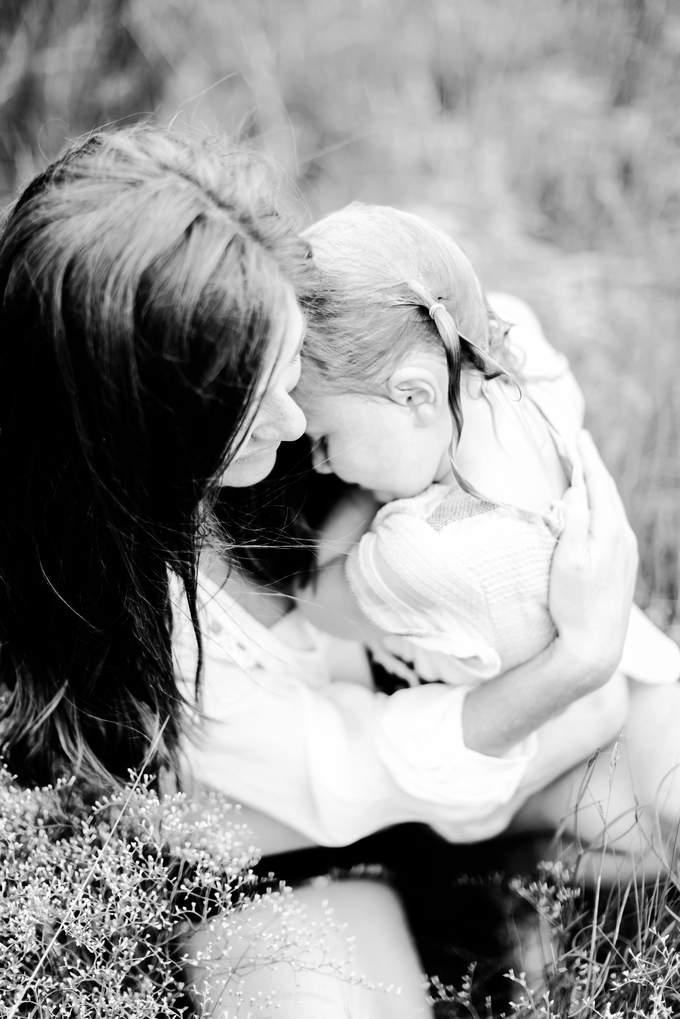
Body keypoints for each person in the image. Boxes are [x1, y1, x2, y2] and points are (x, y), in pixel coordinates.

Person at [0, 125, 672, 1018]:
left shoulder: (292, 349)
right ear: (149, 437)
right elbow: (352, 771)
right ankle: (476, 885)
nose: (293, 421)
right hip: (289, 853)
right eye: (250, 406)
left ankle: (495, 877)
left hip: (467, 709)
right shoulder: (123, 629)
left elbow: (486, 365)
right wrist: (575, 675)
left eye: (292, 365)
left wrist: (564, 544)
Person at [291, 203, 680, 807]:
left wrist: (356, 509)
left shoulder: (423, 551)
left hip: (534, 736)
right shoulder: (529, 374)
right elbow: (504, 308)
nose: (318, 463)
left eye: (323, 438)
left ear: (416, 395)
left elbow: (319, 600)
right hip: (627, 649)